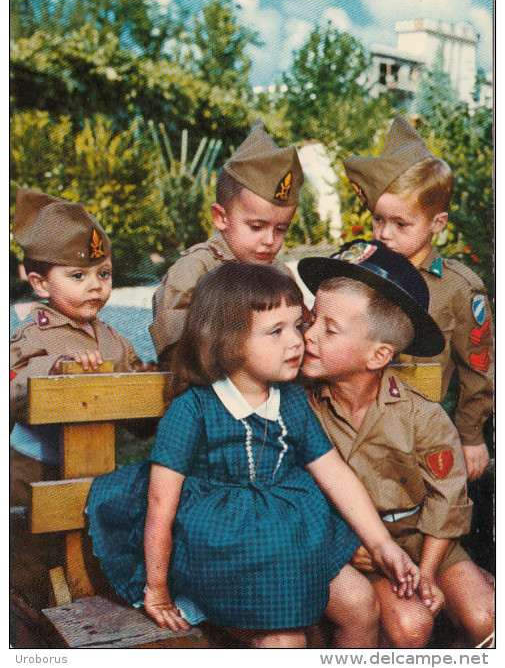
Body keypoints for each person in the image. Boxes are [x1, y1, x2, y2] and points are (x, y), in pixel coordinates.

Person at [87, 262, 423, 649]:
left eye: (298, 325)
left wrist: (382, 544)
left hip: (294, 533)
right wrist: (157, 589)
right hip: (225, 547)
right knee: (285, 641)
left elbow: (335, 473)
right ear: (228, 342)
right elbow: (160, 504)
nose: (297, 341)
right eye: (275, 331)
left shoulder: (292, 401)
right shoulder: (193, 410)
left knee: (362, 605)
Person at [298, 240, 495, 649]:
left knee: (487, 619)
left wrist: (425, 571)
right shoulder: (302, 408)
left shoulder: (421, 416)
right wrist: (348, 544)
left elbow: (448, 500)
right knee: (410, 626)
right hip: (357, 549)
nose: (309, 334)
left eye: (328, 329)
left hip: (427, 540)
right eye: (311, 318)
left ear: (378, 355)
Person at [9, 187, 152, 611]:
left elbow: (141, 414)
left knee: (90, 554)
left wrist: (154, 387)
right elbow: (16, 386)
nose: (95, 286)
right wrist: (56, 370)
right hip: (31, 472)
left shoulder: (113, 338)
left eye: (103, 274)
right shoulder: (30, 333)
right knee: (31, 566)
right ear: (37, 282)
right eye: (78, 276)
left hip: (96, 470)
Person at [342, 114, 493, 482]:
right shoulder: (360, 269)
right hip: (356, 429)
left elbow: (478, 370)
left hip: (422, 435)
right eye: (378, 220)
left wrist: (471, 436)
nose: (385, 235)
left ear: (437, 223)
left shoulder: (458, 287)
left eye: (401, 224)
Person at [149, 121, 304, 370]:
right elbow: (175, 347)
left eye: (281, 229)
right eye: (256, 227)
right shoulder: (195, 269)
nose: (269, 240)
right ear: (221, 217)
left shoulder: (280, 274)